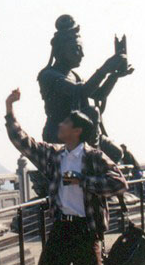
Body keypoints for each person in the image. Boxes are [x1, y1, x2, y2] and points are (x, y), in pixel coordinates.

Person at [4, 88, 127, 265]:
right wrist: (9, 109)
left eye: (65, 124)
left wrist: (84, 181)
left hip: (86, 231)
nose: (59, 126)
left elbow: (119, 182)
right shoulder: (54, 155)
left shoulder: (94, 157)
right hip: (61, 229)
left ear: (77, 131)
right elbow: (23, 141)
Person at [37, 15, 131, 163]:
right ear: (61, 51)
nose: (81, 54)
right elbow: (81, 91)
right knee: (92, 112)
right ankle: (91, 160)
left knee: (116, 152)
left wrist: (114, 75)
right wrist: (105, 69)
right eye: (76, 50)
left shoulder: (74, 75)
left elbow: (98, 95)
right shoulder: (49, 75)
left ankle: (92, 156)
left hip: (81, 129)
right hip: (60, 131)